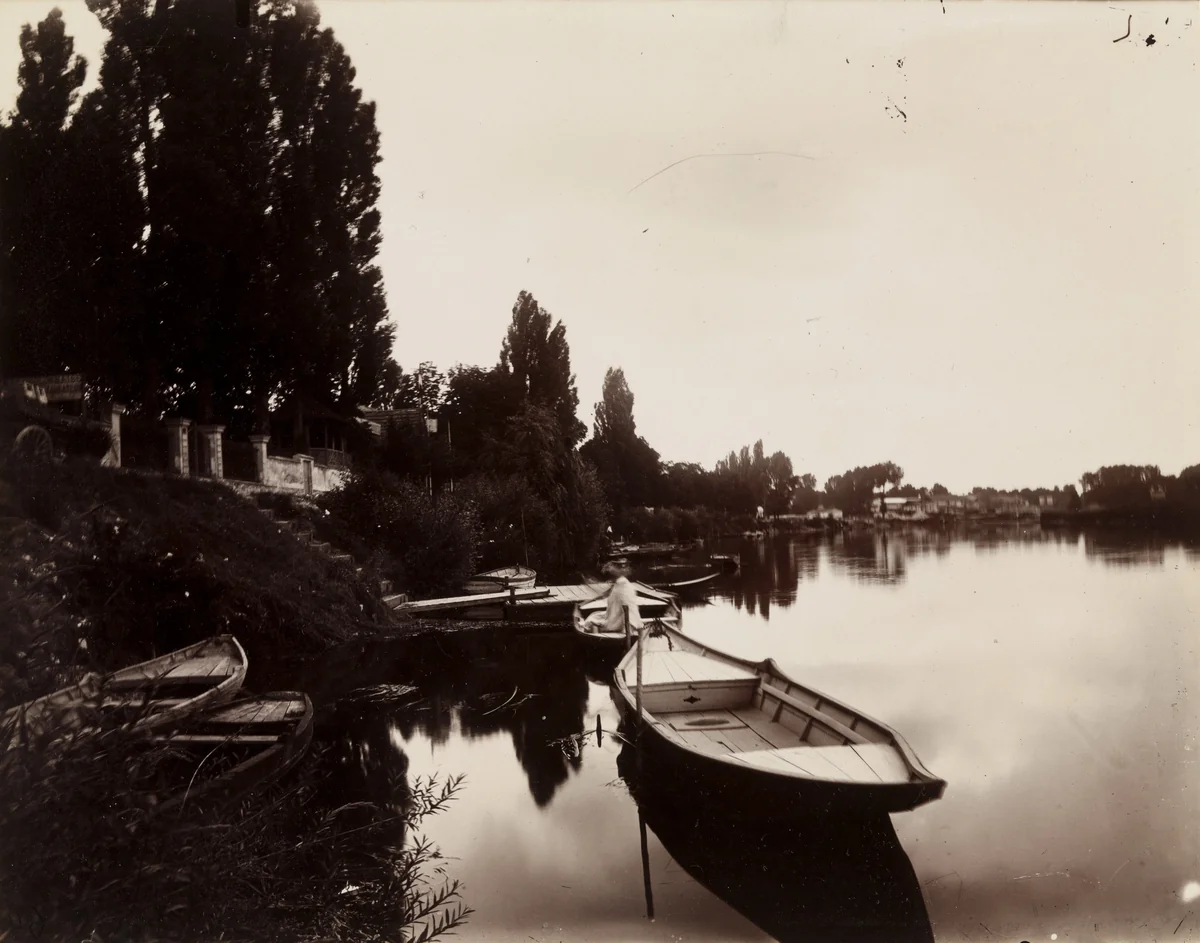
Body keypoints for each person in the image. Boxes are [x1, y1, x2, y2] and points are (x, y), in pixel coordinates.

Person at [598, 560, 643, 635]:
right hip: (616, 616)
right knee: (595, 617)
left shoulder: (623, 585)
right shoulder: (618, 583)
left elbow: (630, 608)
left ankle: (629, 629)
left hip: (623, 621)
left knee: (593, 620)